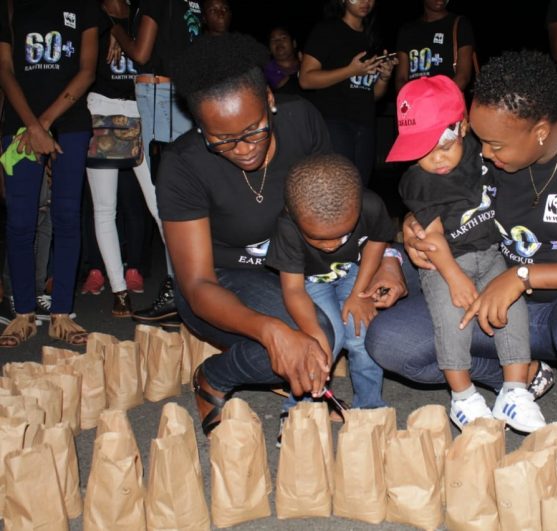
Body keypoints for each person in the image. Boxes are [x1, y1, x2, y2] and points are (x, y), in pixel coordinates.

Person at [367, 50, 557, 452]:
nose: (482, 153)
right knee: (392, 341)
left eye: (494, 143)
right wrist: (404, 244)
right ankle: (518, 376)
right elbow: (427, 200)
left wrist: (523, 276)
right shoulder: (479, 156)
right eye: (478, 139)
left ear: (539, 131)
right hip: (493, 303)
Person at [159, 33, 406, 436]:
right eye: (221, 139)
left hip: (301, 267)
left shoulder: (301, 120)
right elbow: (198, 284)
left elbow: (342, 205)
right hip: (224, 284)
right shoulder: (182, 165)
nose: (242, 148)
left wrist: (390, 260)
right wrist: (271, 331)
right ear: (199, 127)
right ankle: (215, 376)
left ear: (270, 102)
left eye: (254, 129)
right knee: (312, 335)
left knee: (393, 284)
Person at [391, 75, 551, 432]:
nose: (435, 159)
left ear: (463, 126)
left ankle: (514, 391)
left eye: (444, 145)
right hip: (445, 261)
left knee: (510, 310)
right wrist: (454, 277)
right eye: (422, 150)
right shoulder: (417, 179)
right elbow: (431, 237)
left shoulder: (482, 148)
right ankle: (463, 398)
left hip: (491, 251)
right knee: (452, 320)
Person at [0, 0, 98, 347]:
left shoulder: (84, 7)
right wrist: (32, 125)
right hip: (21, 125)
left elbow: (87, 70)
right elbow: (5, 70)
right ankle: (23, 312)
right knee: (20, 221)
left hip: (69, 123)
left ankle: (61, 315)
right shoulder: (10, 8)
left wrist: (45, 123)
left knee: (67, 216)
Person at [266, 153, 394, 410]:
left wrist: (359, 294)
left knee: (361, 335)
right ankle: (297, 410)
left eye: (342, 235)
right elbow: (292, 289)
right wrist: (314, 333)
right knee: (325, 341)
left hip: (356, 272)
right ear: (292, 214)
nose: (332, 245)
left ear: (358, 206)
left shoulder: (371, 205)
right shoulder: (287, 227)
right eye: (318, 239)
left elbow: (377, 242)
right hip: (310, 282)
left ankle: (369, 407)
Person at [110, 0, 202, 325]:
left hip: (159, 98)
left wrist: (115, 28)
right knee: (190, 198)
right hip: (184, 98)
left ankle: (179, 295)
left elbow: (141, 53)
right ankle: (193, 291)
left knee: (169, 200)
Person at [83, 0, 167, 317]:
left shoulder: (142, 13)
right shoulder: (92, 15)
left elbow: (151, 58)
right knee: (105, 208)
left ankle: (180, 281)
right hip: (104, 108)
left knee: (161, 204)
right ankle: (119, 291)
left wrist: (122, 33)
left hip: (142, 110)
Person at [299, 0, 396, 186]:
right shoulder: (327, 30)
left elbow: (371, 94)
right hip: (334, 121)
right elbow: (306, 79)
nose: (365, 2)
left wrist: (384, 77)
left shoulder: (371, 36)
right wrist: (350, 71)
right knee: (340, 188)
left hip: (365, 123)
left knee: (361, 188)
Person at [394, 0, 476, 92]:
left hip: (448, 101)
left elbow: (463, 76)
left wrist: (437, 101)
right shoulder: (406, 31)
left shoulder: (460, 24)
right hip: (415, 102)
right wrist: (412, 101)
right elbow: (401, 78)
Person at [264, 26, 302, 95]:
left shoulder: (306, 65)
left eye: (283, 38)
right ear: (269, 48)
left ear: (294, 44)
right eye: (273, 40)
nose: (278, 42)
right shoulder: (263, 73)